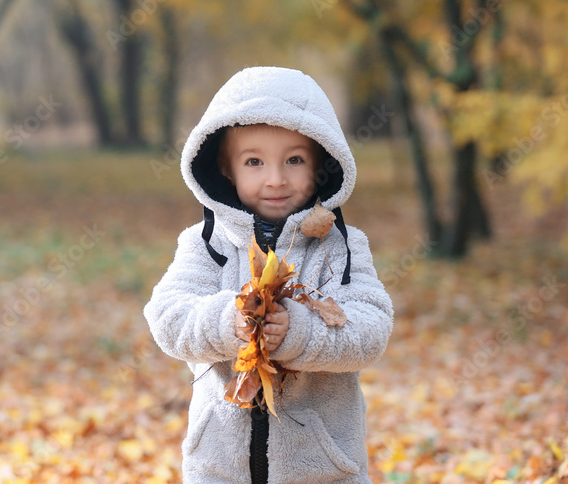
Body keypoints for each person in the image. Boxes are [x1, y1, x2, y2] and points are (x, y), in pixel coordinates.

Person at [144, 66, 393, 483]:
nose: (275, 179)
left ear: (320, 164)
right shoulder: (206, 245)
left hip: (322, 471)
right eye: (254, 162)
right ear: (226, 169)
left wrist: (299, 331)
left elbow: (371, 329)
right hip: (219, 470)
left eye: (294, 160)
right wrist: (229, 322)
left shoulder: (337, 247)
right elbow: (168, 317)